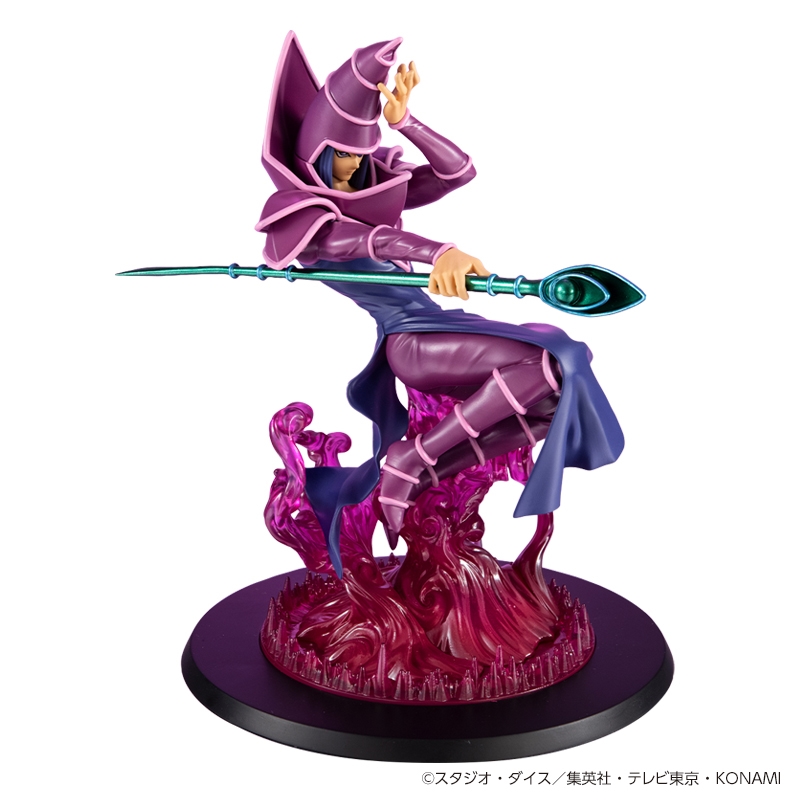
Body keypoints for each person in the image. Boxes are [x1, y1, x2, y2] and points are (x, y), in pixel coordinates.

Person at [257, 33, 624, 575]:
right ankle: (411, 460)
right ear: (313, 159)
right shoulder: (314, 228)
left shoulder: (368, 198)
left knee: (559, 385)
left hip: (439, 325)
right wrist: (439, 253)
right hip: (410, 342)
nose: (352, 168)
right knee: (547, 360)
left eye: (359, 156)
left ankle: (424, 470)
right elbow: (375, 242)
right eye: (340, 157)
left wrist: (405, 123)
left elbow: (458, 172)